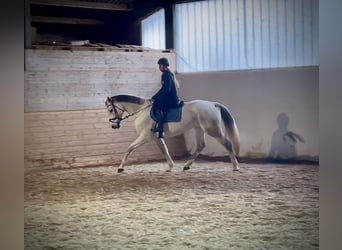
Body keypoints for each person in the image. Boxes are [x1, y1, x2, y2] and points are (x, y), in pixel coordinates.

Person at [151, 57, 181, 138]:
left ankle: (160, 129)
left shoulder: (167, 75)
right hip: (169, 97)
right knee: (157, 102)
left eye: (161, 65)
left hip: (171, 98)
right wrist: (156, 96)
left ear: (165, 66)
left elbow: (166, 89)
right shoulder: (166, 74)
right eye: (159, 66)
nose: (160, 67)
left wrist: (155, 97)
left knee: (157, 106)